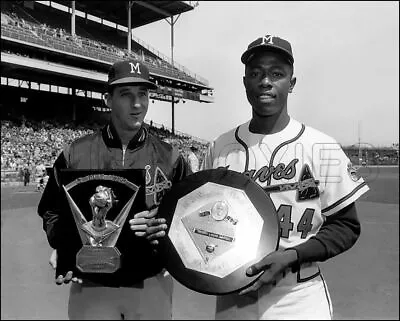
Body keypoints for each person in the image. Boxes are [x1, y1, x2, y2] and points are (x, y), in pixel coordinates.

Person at [146, 35, 370, 320]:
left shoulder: (320, 147)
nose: (266, 81)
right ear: (245, 83)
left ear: (292, 82)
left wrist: (292, 256)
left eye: (277, 74)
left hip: (298, 296)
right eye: (256, 73)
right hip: (234, 296)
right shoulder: (220, 147)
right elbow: (195, 218)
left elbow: (346, 226)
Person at [38, 58, 190, 320]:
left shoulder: (171, 157)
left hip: (151, 283)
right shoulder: (74, 153)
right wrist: (65, 245)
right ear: (107, 99)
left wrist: (166, 236)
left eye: (143, 94)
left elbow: (189, 215)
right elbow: (51, 210)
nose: (138, 104)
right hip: (92, 287)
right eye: (126, 95)